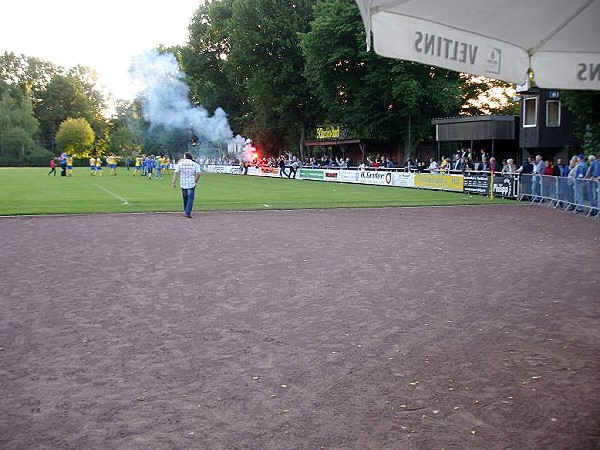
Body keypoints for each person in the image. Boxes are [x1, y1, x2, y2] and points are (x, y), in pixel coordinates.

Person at [172, 152, 202, 218]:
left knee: (185, 197)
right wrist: (196, 180)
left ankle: (186, 210)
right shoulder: (194, 164)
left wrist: (173, 182)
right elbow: (198, 173)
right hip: (191, 182)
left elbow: (176, 173)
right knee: (190, 198)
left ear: (185, 157)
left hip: (183, 182)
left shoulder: (180, 164)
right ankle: (188, 212)